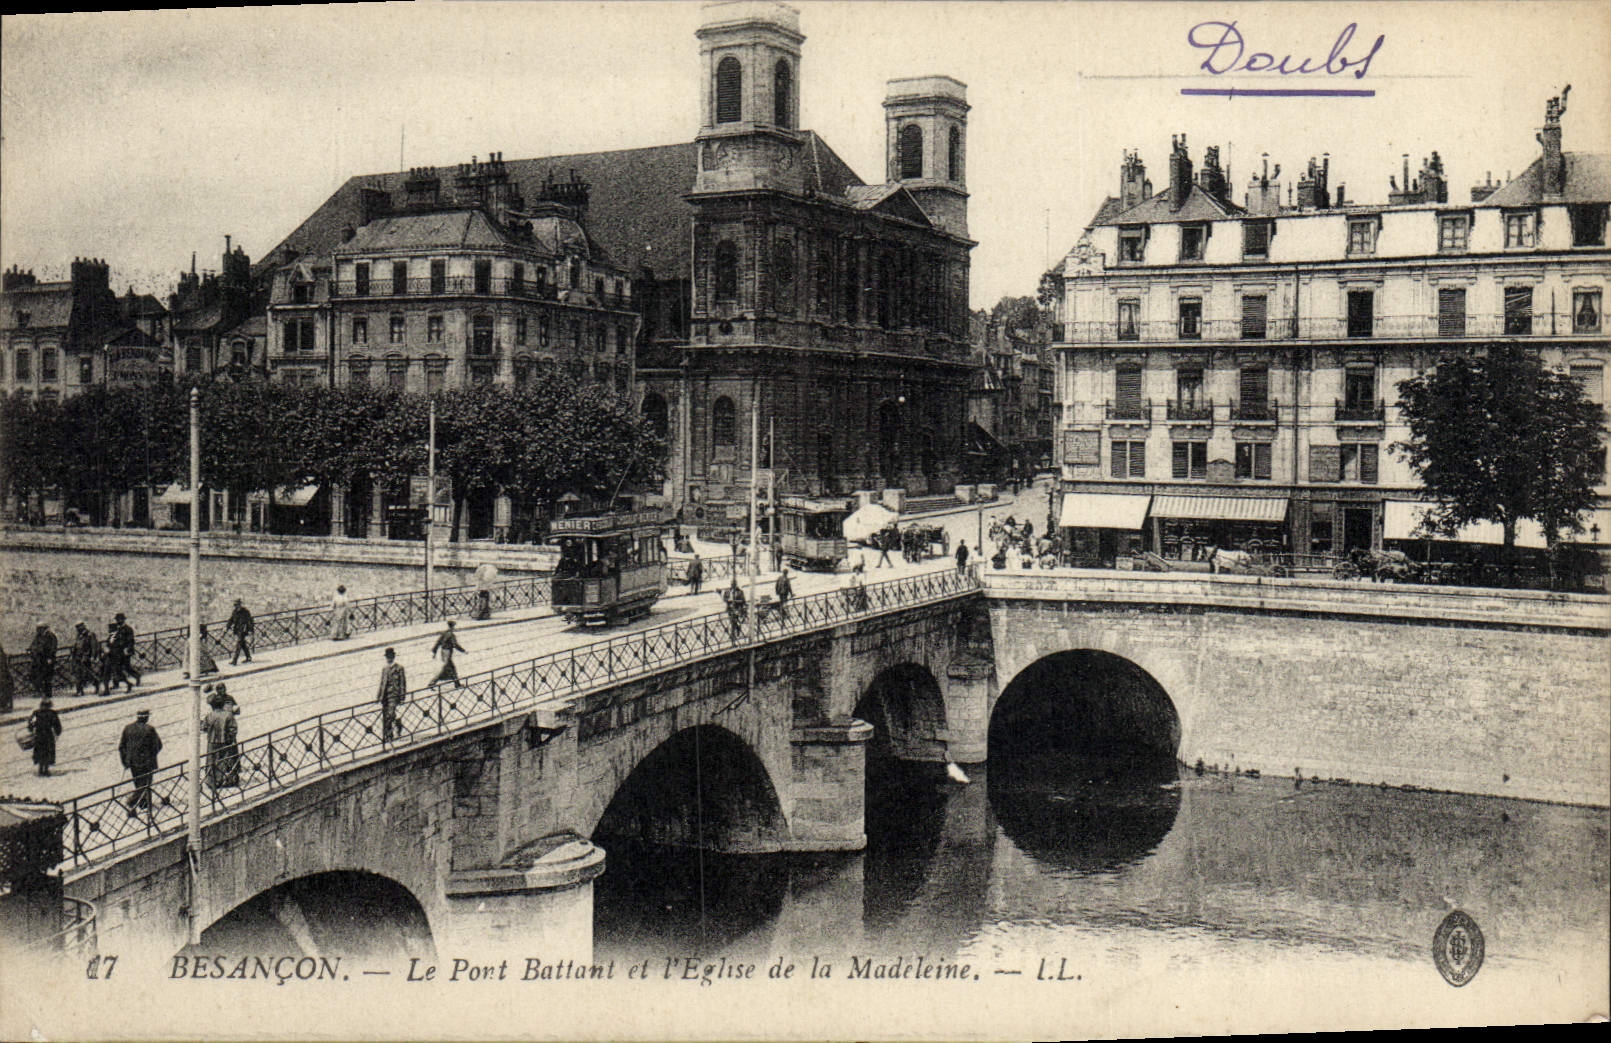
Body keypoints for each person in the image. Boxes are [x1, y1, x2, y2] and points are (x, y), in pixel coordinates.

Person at [119, 708, 163, 812]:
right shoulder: (149, 729)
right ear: (146, 717)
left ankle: (143, 803)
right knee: (146, 783)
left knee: (138, 782)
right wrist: (151, 756)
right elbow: (158, 745)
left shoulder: (128, 728)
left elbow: (121, 747)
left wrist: (125, 761)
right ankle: (134, 801)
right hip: (147, 762)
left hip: (133, 762)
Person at [202, 689, 240, 789]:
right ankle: (226, 780)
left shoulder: (209, 716)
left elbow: (204, 728)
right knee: (226, 760)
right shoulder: (228, 714)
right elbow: (233, 729)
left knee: (211, 761)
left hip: (212, 742)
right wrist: (230, 739)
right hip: (225, 742)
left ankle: (212, 781)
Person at [376, 648, 407, 742]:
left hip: (394, 695)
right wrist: (378, 696)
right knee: (386, 716)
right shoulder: (385, 669)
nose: (388, 659)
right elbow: (382, 683)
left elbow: (402, 683)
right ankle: (397, 725)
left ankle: (389, 736)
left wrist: (402, 697)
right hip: (385, 696)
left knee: (390, 715)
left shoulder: (399, 668)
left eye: (390, 657)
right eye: (387, 657)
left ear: (393, 657)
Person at [28, 697, 61, 776]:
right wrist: (57, 732)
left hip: (39, 735)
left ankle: (40, 769)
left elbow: (30, 723)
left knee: (40, 751)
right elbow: (57, 725)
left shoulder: (36, 713)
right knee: (47, 751)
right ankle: (45, 769)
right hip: (48, 735)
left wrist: (31, 729)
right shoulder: (52, 713)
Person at [430, 620, 467, 687]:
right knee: (444, 668)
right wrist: (463, 651)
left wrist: (434, 652)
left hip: (443, 652)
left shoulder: (444, 633)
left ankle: (457, 684)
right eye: (454, 626)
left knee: (452, 668)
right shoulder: (451, 635)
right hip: (447, 653)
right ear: (452, 627)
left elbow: (438, 642)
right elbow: (455, 645)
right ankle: (432, 683)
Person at [69, 621, 102, 697]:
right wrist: (73, 650)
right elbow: (76, 644)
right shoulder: (78, 635)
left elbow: (94, 646)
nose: (78, 629)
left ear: (83, 626)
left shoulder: (90, 634)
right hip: (77, 657)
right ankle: (79, 691)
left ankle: (97, 684)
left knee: (88, 674)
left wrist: (93, 656)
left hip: (85, 657)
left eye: (79, 626)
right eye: (77, 627)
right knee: (78, 674)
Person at [28, 623, 58, 699]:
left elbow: (53, 647)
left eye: (39, 628)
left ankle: (48, 693)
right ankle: (39, 691)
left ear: (44, 628)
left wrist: (50, 657)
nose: (37, 630)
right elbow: (33, 645)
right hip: (39, 659)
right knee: (38, 675)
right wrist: (30, 650)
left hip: (47, 658)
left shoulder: (51, 636)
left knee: (47, 676)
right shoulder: (38, 636)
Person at [112, 613, 141, 689]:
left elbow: (131, 640)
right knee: (116, 667)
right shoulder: (116, 629)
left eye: (119, 619)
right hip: (117, 652)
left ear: (123, 620)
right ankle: (116, 684)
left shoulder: (128, 629)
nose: (118, 621)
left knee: (127, 667)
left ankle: (137, 676)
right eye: (117, 620)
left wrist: (127, 649)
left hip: (125, 652)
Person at [227, 599, 255, 665]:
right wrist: (227, 626)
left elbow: (250, 621)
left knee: (239, 645)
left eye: (237, 605)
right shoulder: (234, 612)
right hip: (237, 630)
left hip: (243, 630)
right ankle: (248, 657)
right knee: (243, 644)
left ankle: (234, 660)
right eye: (235, 605)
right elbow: (231, 620)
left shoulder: (245, 612)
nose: (236, 606)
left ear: (240, 605)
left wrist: (250, 630)